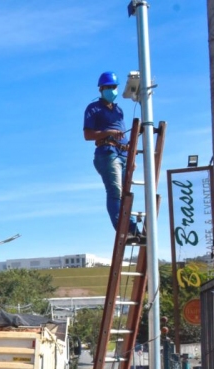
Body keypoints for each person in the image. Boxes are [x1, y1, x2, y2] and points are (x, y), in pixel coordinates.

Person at [83, 71, 142, 243]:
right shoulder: (93, 108)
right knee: (116, 192)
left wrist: (132, 157)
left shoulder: (118, 110)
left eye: (114, 87)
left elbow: (124, 136)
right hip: (107, 153)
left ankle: (134, 230)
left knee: (126, 193)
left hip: (123, 153)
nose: (112, 90)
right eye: (109, 87)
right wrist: (108, 132)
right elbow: (87, 135)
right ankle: (124, 231)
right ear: (101, 89)